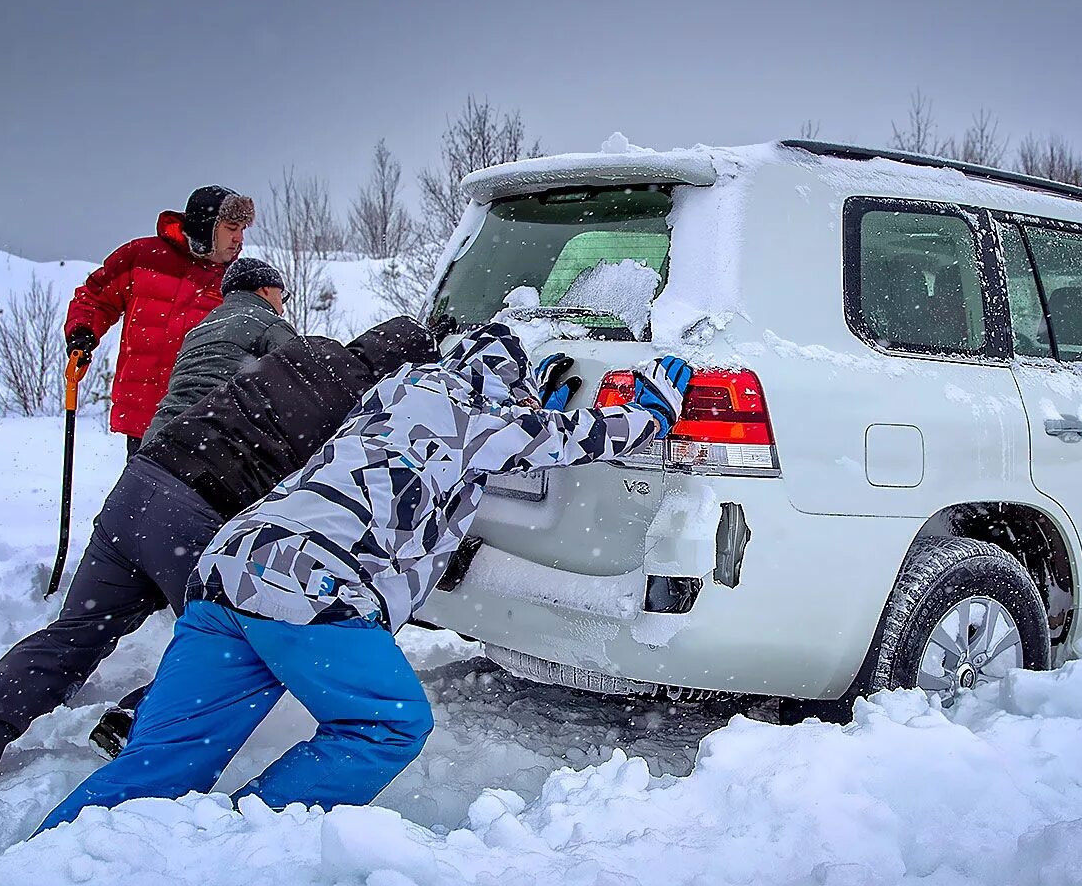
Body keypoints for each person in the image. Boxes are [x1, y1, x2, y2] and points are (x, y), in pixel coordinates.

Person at [36, 322, 693, 832]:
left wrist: (525, 414)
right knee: (390, 722)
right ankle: (238, 840)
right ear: (500, 384)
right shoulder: (477, 414)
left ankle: (45, 875)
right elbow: (584, 437)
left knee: (160, 763)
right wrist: (652, 408)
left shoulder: (391, 396)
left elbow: (445, 468)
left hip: (231, 565)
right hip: (311, 586)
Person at [0, 318, 441, 808]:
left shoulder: (299, 352)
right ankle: (134, 724)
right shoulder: (371, 406)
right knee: (232, 638)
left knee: (75, 632)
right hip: (201, 511)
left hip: (141, 485)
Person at [64, 185, 254, 454]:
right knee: (144, 493)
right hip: (145, 412)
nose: (239, 238)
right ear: (206, 226)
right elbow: (95, 297)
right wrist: (83, 332)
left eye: (242, 230)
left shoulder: (235, 282)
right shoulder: (142, 257)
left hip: (205, 417)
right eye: (232, 227)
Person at [142, 257, 297, 443]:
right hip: (215, 436)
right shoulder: (268, 321)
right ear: (266, 289)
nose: (282, 309)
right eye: (282, 295)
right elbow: (302, 377)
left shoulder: (198, 330)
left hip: (159, 435)